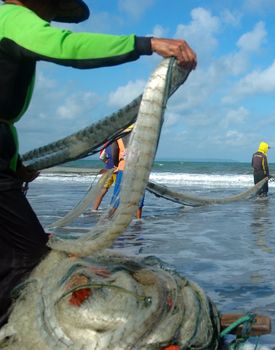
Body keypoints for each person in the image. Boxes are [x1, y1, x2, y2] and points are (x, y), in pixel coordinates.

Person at [0, 0, 197, 326]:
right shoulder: (12, 17)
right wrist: (146, 44)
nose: (50, 19)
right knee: (27, 260)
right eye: (51, 8)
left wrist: (13, 165)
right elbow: (66, 47)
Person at [108, 127, 145, 219]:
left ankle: (109, 219)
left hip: (123, 167)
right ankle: (138, 221)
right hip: (139, 169)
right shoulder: (143, 134)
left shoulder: (119, 135)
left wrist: (117, 164)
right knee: (138, 197)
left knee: (116, 197)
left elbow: (114, 153)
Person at [92, 141, 118, 211]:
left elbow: (101, 157)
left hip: (108, 170)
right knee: (118, 192)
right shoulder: (122, 143)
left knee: (102, 191)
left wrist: (106, 161)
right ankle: (114, 212)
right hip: (118, 171)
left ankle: (94, 209)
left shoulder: (107, 144)